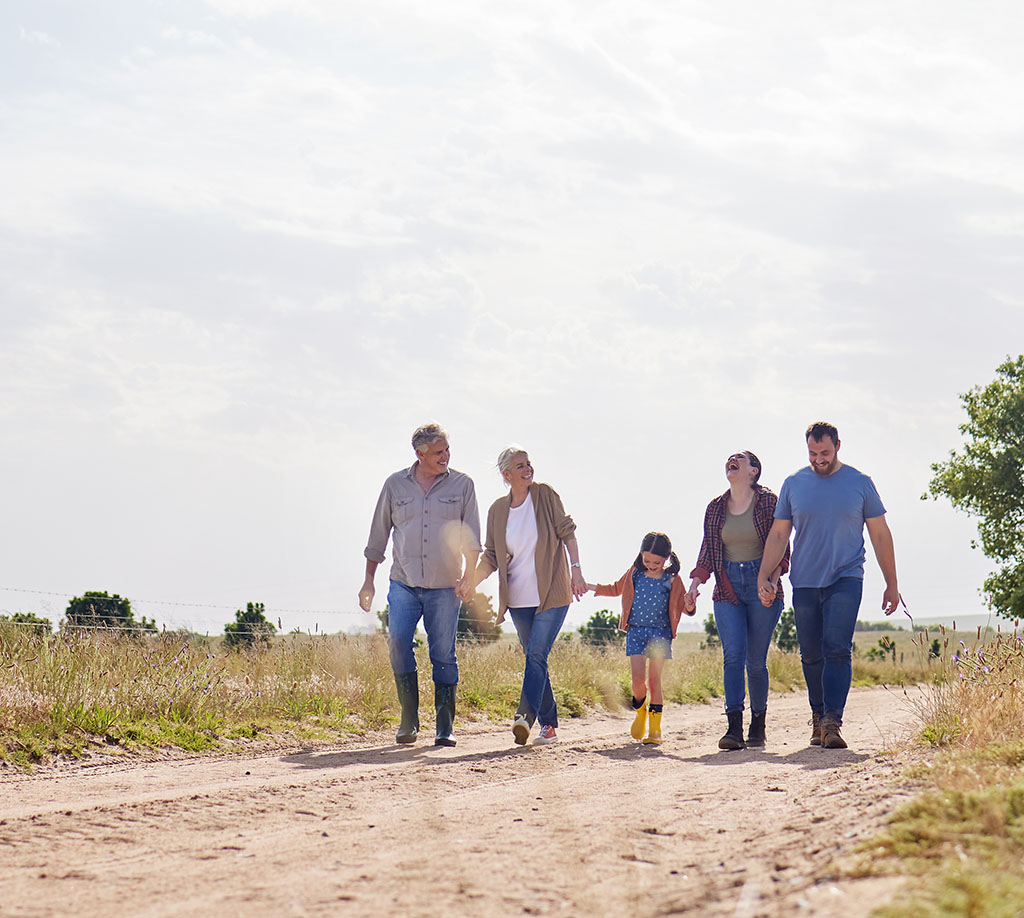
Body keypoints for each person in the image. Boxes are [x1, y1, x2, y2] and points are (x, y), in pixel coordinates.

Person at [757, 422, 900, 750]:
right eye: (812, 453)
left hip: (846, 577)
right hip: (805, 580)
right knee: (810, 654)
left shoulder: (860, 483)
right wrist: (764, 576)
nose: (819, 459)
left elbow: (880, 534)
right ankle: (818, 716)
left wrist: (892, 584)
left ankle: (832, 721)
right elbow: (779, 534)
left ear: (838, 446)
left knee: (836, 648)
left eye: (824, 452)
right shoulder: (794, 484)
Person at [359, 423, 481, 747]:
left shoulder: (462, 485)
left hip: (445, 586)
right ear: (420, 453)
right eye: (438, 452)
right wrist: (368, 581)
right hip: (404, 583)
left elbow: (472, 538)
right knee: (398, 642)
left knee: (443, 654)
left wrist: (470, 577)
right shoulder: (395, 486)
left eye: (447, 450)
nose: (446, 456)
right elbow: (378, 536)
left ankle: (445, 726)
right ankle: (409, 719)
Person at [469, 447, 586, 746]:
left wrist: (576, 571)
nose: (527, 469)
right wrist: (471, 581)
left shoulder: (545, 496)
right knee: (536, 658)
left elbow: (567, 532)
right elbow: (492, 555)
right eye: (520, 466)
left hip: (552, 594)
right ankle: (550, 726)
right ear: (507, 474)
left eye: (529, 463)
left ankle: (524, 717)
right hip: (518, 600)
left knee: (536, 654)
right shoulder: (497, 510)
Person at [686, 452, 788, 750]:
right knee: (733, 656)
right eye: (730, 458)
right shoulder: (715, 507)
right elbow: (708, 549)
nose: (732, 460)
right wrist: (693, 587)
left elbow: (781, 544)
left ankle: (758, 724)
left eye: (740, 459)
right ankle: (733, 728)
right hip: (727, 586)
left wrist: (773, 579)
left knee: (755, 662)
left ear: (753, 470)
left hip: (762, 582)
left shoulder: (769, 501)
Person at [588, 532, 691, 745]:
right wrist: (593, 587)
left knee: (654, 681)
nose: (651, 565)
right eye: (647, 560)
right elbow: (616, 588)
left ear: (667, 559)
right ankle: (640, 713)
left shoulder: (672, 579)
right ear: (640, 556)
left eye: (657, 562)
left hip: (660, 634)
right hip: (635, 632)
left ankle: (655, 729)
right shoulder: (635, 573)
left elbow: (684, 607)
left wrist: (690, 603)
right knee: (637, 682)